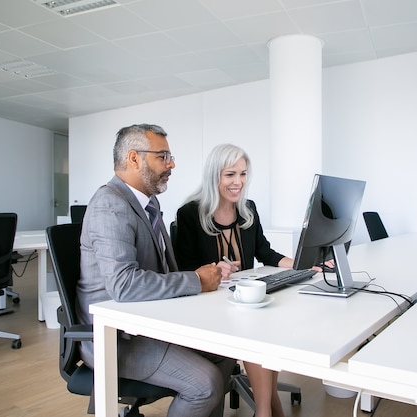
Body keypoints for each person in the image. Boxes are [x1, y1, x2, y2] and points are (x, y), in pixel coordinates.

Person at [76, 124, 236, 417]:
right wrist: (196, 281)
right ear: (134, 159)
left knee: (225, 353)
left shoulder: (149, 204)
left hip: (148, 323)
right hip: (116, 337)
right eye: (163, 156)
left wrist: (201, 277)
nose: (172, 164)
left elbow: (162, 270)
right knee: (206, 383)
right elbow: (124, 285)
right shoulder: (110, 204)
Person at [175, 143, 292, 417]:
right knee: (257, 330)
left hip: (241, 303)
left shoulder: (248, 210)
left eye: (243, 174)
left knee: (264, 322)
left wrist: (304, 263)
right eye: (230, 174)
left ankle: (266, 409)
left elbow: (266, 253)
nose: (238, 182)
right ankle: (267, 410)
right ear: (214, 176)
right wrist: (213, 270)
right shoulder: (190, 214)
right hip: (207, 307)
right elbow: (184, 269)